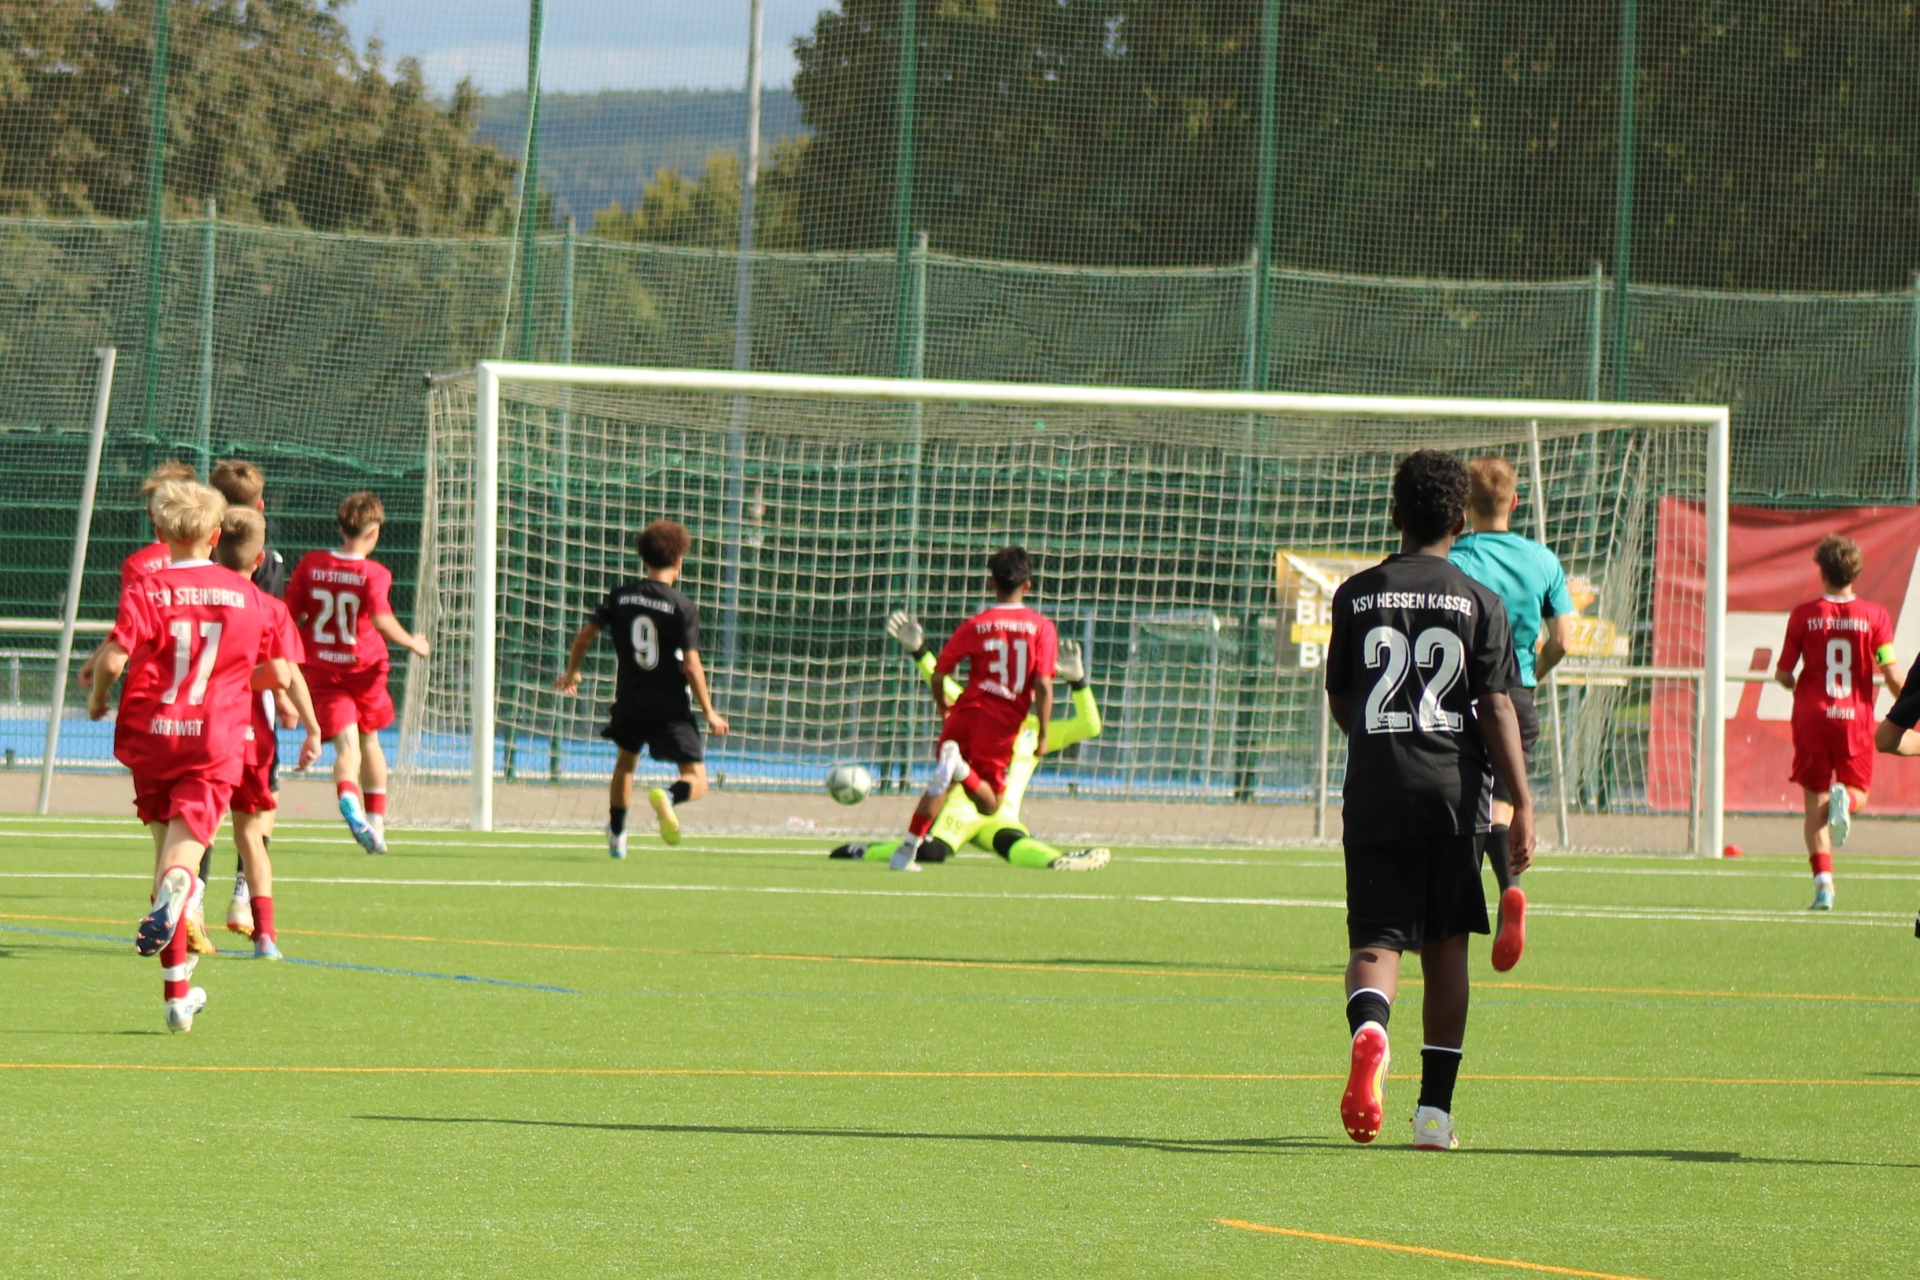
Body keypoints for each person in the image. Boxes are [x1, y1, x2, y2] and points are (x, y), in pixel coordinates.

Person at [1325, 449, 1534, 1151]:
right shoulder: (1481, 601)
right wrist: (1522, 802)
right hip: (1454, 794)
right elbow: (1498, 708)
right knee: (1446, 950)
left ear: (1395, 514)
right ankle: (1434, 1117)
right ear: (1460, 521)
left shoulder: (1354, 595)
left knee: (1375, 940)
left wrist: (1381, 745)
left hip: (1377, 788)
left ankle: (1371, 1028)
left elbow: (1343, 699)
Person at [80, 480, 291, 1032]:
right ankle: (183, 888)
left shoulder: (146, 588)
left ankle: (177, 995)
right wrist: (235, 680)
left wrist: (99, 697)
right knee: (181, 864)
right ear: (216, 536)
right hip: (212, 740)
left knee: (164, 858)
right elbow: (277, 673)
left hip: (152, 735)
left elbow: (113, 660)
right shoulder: (249, 596)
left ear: (160, 531)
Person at [828, 610, 1108, 871]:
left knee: (1014, 841)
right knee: (932, 852)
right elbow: (944, 684)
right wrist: (920, 651)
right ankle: (865, 851)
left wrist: (1079, 683)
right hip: (962, 810)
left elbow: (1090, 726)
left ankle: (1058, 861)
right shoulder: (980, 712)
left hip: (1001, 816)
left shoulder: (1035, 730)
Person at [1446, 455, 1575, 971]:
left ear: (1464, 506)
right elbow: (1563, 639)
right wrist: (1533, 673)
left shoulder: (1456, 557)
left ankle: (1448, 916)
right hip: (1517, 696)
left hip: (1462, 695)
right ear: (1515, 502)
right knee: (1501, 805)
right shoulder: (1541, 559)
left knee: (1459, 806)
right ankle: (1510, 889)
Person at [555, 519, 730, 854]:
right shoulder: (682, 606)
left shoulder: (620, 597)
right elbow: (691, 666)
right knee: (696, 778)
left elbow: (584, 638)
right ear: (679, 561)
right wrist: (709, 711)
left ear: (644, 558)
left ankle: (618, 834)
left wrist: (572, 673)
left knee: (625, 765)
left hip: (630, 699)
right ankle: (669, 796)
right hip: (670, 705)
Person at [890, 548, 1059, 873]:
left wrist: (943, 706)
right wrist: (1044, 736)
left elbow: (939, 674)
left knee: (941, 785)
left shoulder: (976, 624)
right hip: (999, 724)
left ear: (990, 582)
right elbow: (1043, 684)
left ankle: (906, 852)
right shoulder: (1042, 628)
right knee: (990, 804)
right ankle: (960, 769)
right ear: (1027, 586)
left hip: (964, 713)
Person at [287, 491, 430, 854]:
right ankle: (377, 821)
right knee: (371, 741)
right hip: (365, 670)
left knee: (347, 748)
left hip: (322, 669)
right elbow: (381, 620)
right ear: (374, 531)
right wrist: (413, 642)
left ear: (341, 528)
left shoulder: (312, 563)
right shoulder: (374, 573)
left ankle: (350, 798)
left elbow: (291, 614)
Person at [213, 508, 323, 958]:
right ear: (260, 559)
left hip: (202, 732)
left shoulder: (198, 598)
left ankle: (183, 918)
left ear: (214, 548)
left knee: (193, 831)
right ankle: (265, 936)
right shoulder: (271, 608)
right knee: (250, 837)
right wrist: (313, 729)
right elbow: (285, 674)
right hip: (252, 738)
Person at [1776, 534, 1901, 910]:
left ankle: (1824, 888)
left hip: (1812, 718)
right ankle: (1844, 801)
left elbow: (1783, 674)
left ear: (1822, 572)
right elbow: (1891, 673)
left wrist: (1797, 686)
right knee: (1857, 792)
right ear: (1856, 572)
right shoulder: (1876, 617)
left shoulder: (1803, 615)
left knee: (1814, 802)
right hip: (1855, 720)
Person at [207, 459, 292, 933]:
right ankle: (244, 895)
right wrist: (289, 698)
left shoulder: (198, 560)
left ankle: (192, 902)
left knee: (200, 805)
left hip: (203, 698)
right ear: (260, 507)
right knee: (261, 803)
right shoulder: (269, 562)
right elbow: (275, 644)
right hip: (255, 697)